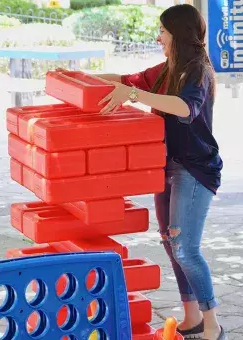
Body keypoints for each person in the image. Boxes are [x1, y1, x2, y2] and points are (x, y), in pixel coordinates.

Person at [96, 4, 225, 340]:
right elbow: (125, 81)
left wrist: (136, 95)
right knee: (170, 242)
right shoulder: (168, 68)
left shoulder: (197, 70)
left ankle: (213, 325)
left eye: (163, 32)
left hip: (194, 169)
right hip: (165, 166)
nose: (158, 38)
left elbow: (185, 107)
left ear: (178, 34)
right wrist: (77, 77)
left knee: (185, 248)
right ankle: (192, 317)